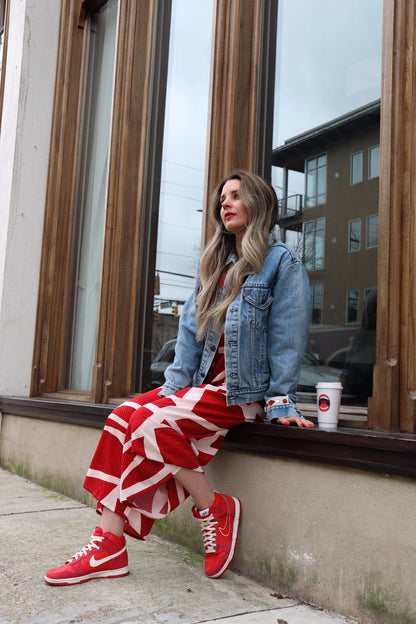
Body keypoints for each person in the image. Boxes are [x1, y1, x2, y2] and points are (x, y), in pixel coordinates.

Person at [44, 170, 314, 586]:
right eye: (222, 197)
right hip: (203, 388)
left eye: (236, 196)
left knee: (150, 423)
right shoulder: (213, 268)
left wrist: (281, 400)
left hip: (242, 392)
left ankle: (214, 508)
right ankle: (109, 546)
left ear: (258, 205)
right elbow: (189, 336)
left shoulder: (282, 263)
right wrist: (169, 393)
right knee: (124, 416)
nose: (225, 203)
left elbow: (287, 336)